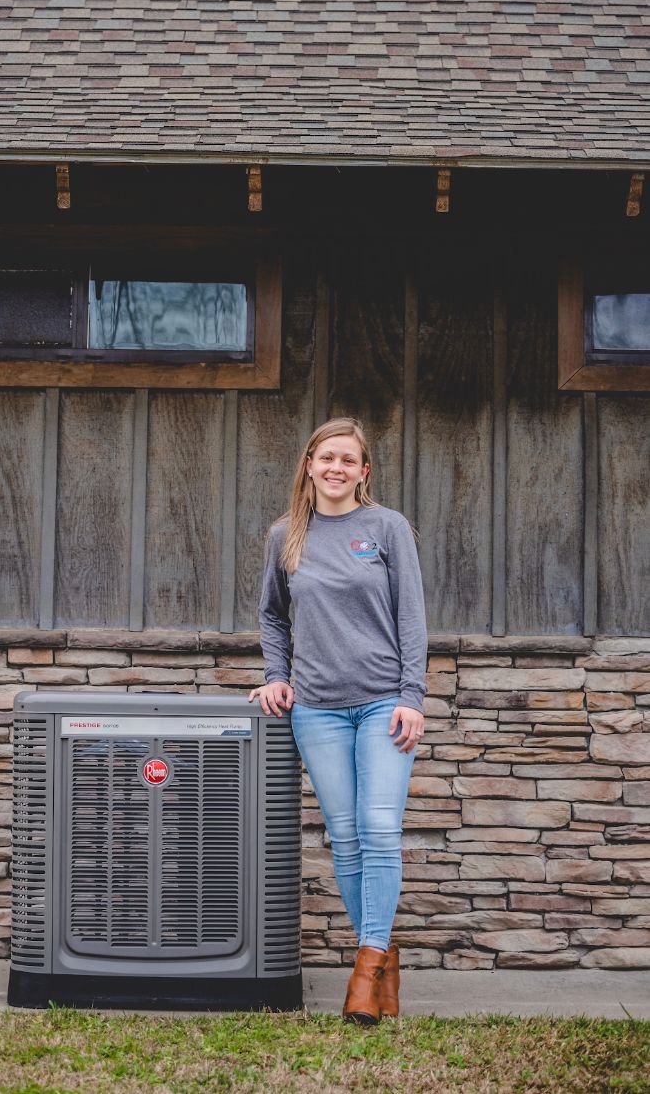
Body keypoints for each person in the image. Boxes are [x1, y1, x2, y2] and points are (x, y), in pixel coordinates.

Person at [249, 417, 427, 1025]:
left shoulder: (386, 528)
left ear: (364, 471)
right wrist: (277, 677)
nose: (336, 469)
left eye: (348, 460)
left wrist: (413, 695)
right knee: (345, 838)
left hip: (383, 702)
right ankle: (383, 965)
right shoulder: (285, 536)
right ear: (308, 464)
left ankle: (365, 965)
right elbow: (273, 617)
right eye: (327, 458)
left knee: (379, 829)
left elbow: (411, 618)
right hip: (317, 709)